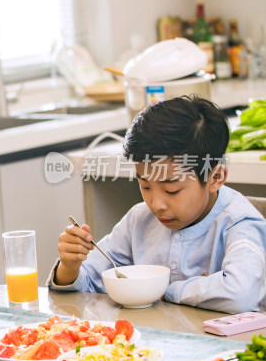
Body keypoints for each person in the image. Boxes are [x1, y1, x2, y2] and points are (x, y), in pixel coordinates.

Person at [49, 95, 266, 314]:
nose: (156, 204)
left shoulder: (239, 224)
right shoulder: (139, 220)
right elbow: (88, 282)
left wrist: (165, 290)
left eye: (172, 190)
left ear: (215, 177)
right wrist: (70, 266)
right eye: (145, 186)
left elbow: (241, 294)